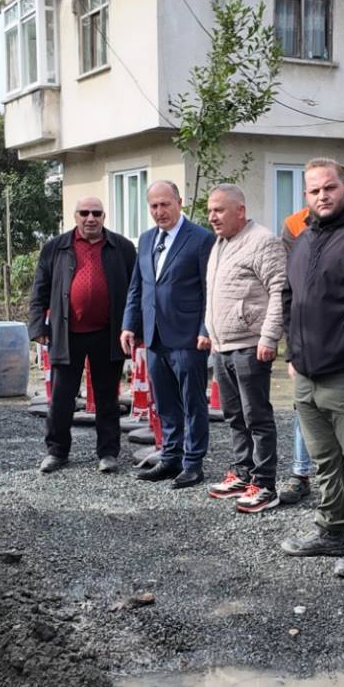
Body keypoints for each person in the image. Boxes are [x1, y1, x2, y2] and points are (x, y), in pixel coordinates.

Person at [278, 159, 344, 578]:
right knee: (324, 461)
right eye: (313, 191)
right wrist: (293, 354)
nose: (322, 196)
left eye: (329, 188)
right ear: (305, 196)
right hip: (306, 372)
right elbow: (290, 296)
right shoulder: (304, 238)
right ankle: (331, 531)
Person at [28, 196, 138, 475]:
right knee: (62, 398)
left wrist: (135, 327)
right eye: (84, 213)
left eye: (97, 213)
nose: (91, 218)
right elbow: (39, 290)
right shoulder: (55, 248)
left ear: (104, 216)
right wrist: (38, 326)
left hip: (107, 334)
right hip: (67, 335)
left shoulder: (122, 248)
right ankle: (57, 451)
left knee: (107, 398)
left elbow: (137, 291)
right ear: (75, 216)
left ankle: (108, 453)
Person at [122, 180, 215, 488]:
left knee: (192, 402)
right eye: (154, 206)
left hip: (188, 336)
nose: (159, 211)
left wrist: (205, 329)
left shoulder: (201, 239)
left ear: (179, 202)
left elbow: (209, 290)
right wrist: (129, 325)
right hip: (154, 336)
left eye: (165, 204)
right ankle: (170, 457)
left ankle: (193, 463)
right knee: (164, 402)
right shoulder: (147, 239)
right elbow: (138, 286)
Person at [201, 184, 287, 511]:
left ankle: (265, 484)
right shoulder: (220, 244)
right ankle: (243, 472)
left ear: (240, 210)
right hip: (223, 347)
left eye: (219, 210)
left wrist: (269, 337)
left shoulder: (263, 241)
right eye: (210, 211)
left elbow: (279, 291)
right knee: (234, 415)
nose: (212, 217)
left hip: (251, 346)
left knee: (257, 417)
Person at [277, 205, 316, 506]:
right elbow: (288, 288)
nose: (323, 194)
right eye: (315, 189)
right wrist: (291, 347)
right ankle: (300, 474)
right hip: (306, 336)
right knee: (303, 406)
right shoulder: (294, 225)